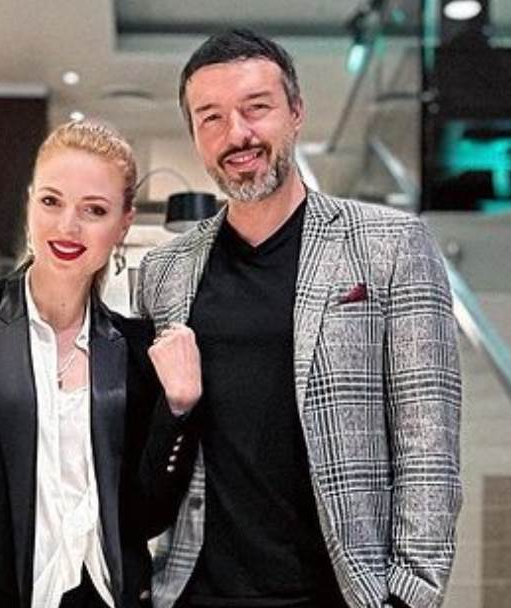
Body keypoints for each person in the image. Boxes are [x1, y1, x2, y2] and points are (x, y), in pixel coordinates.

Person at [137, 30, 462, 608]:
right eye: (211, 118)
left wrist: (410, 594)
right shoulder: (165, 272)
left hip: (342, 593)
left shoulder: (391, 245)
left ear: (295, 112)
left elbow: (428, 445)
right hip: (195, 591)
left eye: (256, 108)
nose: (237, 134)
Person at [0, 120, 202, 608]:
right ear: (29, 203)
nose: (68, 226)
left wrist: (177, 410)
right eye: (51, 201)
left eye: (94, 210)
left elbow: (143, 516)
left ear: (124, 223)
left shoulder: (134, 347)